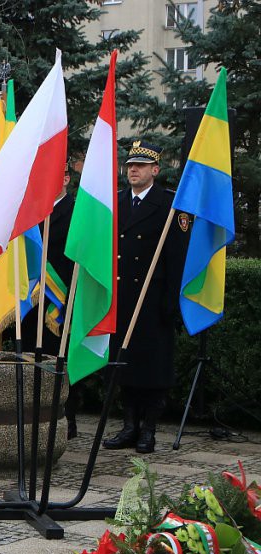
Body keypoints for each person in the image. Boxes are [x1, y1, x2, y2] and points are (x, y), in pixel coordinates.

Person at [103, 141, 189, 454]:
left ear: (156, 170)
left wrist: (170, 303)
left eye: (140, 166)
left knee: (152, 367)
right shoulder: (116, 202)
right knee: (123, 365)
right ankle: (128, 426)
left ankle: (148, 430)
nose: (133, 170)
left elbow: (177, 258)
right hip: (123, 298)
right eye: (129, 166)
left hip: (153, 301)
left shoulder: (171, 205)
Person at [19, 163, 79, 438]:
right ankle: (35, 415)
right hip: (33, 298)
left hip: (62, 297)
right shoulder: (32, 212)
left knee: (60, 359)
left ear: (66, 178)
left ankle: (66, 418)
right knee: (31, 356)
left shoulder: (78, 210)